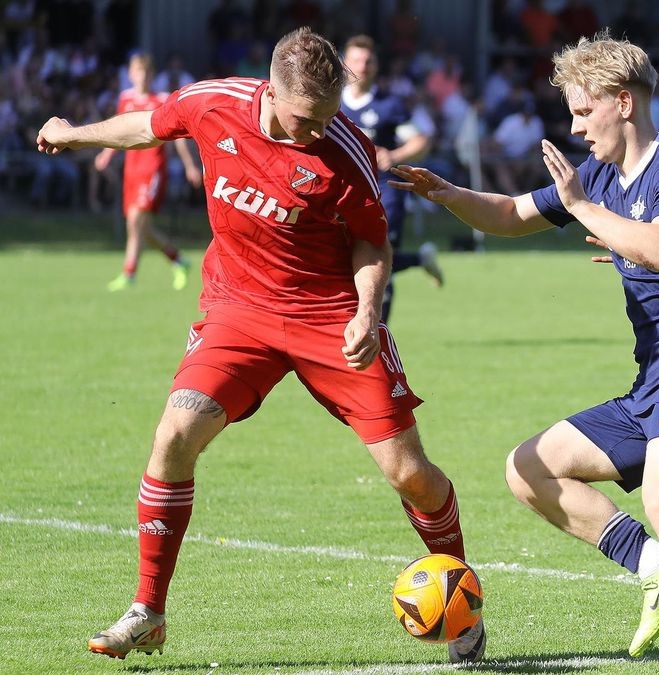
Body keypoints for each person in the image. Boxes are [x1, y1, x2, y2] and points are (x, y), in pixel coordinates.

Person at [36, 27, 483, 664]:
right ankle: (147, 610)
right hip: (239, 311)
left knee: (408, 473)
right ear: (270, 90)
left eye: (329, 117)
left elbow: (370, 242)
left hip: (329, 316)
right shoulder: (213, 102)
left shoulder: (346, 147)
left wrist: (366, 309)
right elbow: (149, 127)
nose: (316, 132)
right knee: (174, 436)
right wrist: (73, 133)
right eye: (306, 119)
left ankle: (459, 594)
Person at [389, 33, 659, 675]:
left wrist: (590, 211)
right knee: (529, 467)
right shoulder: (599, 178)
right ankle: (654, 565)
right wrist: (448, 195)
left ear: (624, 102)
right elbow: (509, 213)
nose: (577, 127)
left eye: (585, 112)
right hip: (653, 380)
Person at [340, 34, 443, 323]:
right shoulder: (331, 104)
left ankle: (378, 329)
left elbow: (421, 140)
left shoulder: (390, 105)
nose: (362, 66)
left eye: (368, 61)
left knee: (381, 255)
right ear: (345, 64)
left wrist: (394, 156)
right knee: (347, 257)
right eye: (357, 60)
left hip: (385, 191)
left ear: (376, 66)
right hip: (342, 192)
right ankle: (420, 260)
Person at [94, 52, 201, 292]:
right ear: (131, 74)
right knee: (140, 227)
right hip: (132, 168)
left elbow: (178, 137)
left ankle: (129, 273)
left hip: (153, 167)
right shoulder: (125, 99)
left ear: (152, 75)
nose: (141, 76)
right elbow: (118, 131)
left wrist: (189, 164)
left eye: (146, 71)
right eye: (137, 71)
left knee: (136, 221)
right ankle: (179, 260)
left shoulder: (160, 100)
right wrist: (106, 154)